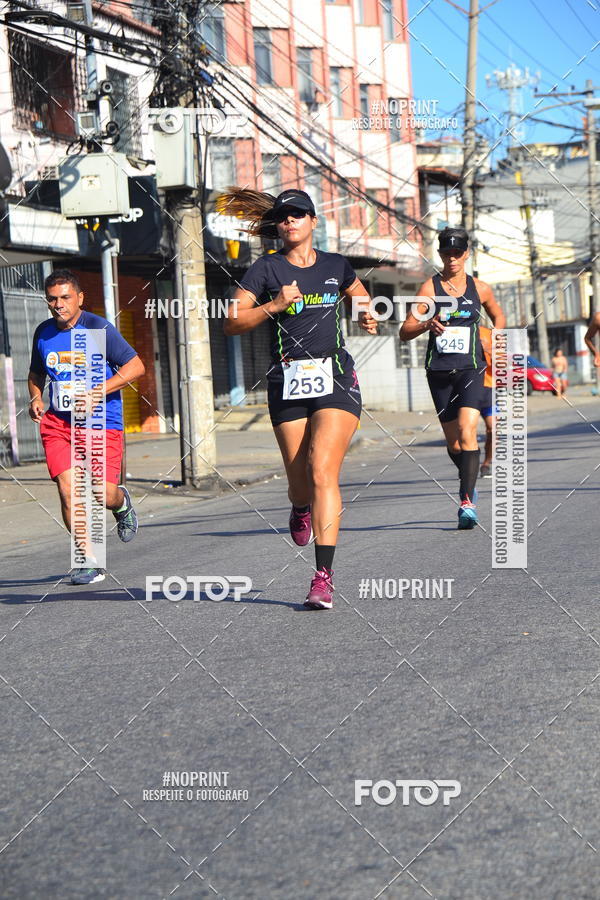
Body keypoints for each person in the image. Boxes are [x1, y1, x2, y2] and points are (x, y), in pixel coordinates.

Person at [221, 188, 376, 609]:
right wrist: (274, 304)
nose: (290, 222)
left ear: (312, 221)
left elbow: (359, 294)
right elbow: (232, 323)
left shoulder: (335, 265)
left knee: (322, 469)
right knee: (299, 481)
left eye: (298, 215)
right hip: (287, 379)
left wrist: (365, 312)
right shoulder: (266, 268)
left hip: (336, 376)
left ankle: (323, 576)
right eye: (283, 217)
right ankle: (299, 505)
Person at [28, 269, 145, 585]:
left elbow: (136, 366)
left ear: (79, 298)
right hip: (59, 424)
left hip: (100, 423)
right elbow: (36, 374)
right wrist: (36, 398)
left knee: (100, 493)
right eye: (52, 299)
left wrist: (99, 390)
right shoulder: (44, 332)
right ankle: (88, 560)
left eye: (65, 297)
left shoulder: (96, 327)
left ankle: (120, 502)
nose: (58, 305)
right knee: (69, 491)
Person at [400, 227, 506, 528]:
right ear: (440, 254)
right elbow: (405, 332)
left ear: (466, 253)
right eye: (446, 253)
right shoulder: (429, 289)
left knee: (468, 430)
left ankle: (466, 501)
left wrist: (495, 340)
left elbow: (498, 315)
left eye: (457, 253)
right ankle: (468, 481)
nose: (452, 259)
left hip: (472, 368)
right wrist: (426, 324)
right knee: (456, 444)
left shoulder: (480, 288)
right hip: (440, 372)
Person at [479, 325, 495, 478]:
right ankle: (466, 461)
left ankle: (486, 463)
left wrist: (488, 349)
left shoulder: (488, 334)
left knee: (493, 429)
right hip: (464, 387)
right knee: (463, 431)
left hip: (487, 387)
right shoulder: (453, 329)